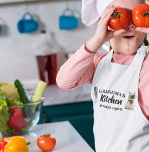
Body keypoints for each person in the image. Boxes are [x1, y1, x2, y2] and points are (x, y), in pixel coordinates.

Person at [56, 0, 149, 151]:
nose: (130, 24)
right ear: (103, 22)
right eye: (120, 16)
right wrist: (97, 40)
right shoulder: (98, 62)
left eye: (138, 15)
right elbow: (64, 81)